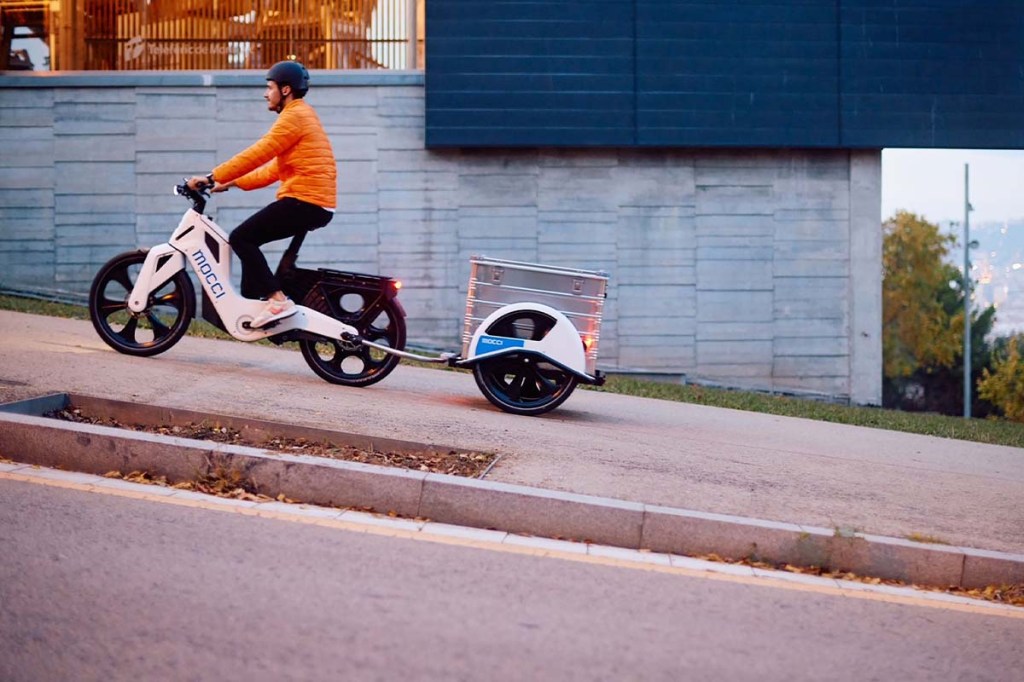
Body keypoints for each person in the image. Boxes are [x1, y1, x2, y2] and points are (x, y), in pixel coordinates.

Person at [187, 60, 337, 328]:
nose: (266, 94)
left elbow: (259, 153)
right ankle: (261, 301)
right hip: (312, 202)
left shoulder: (294, 116)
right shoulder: (302, 115)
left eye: (270, 88)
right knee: (247, 239)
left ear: (286, 89)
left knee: (242, 237)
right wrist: (230, 183)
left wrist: (212, 176)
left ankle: (277, 300)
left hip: (306, 201)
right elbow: (272, 171)